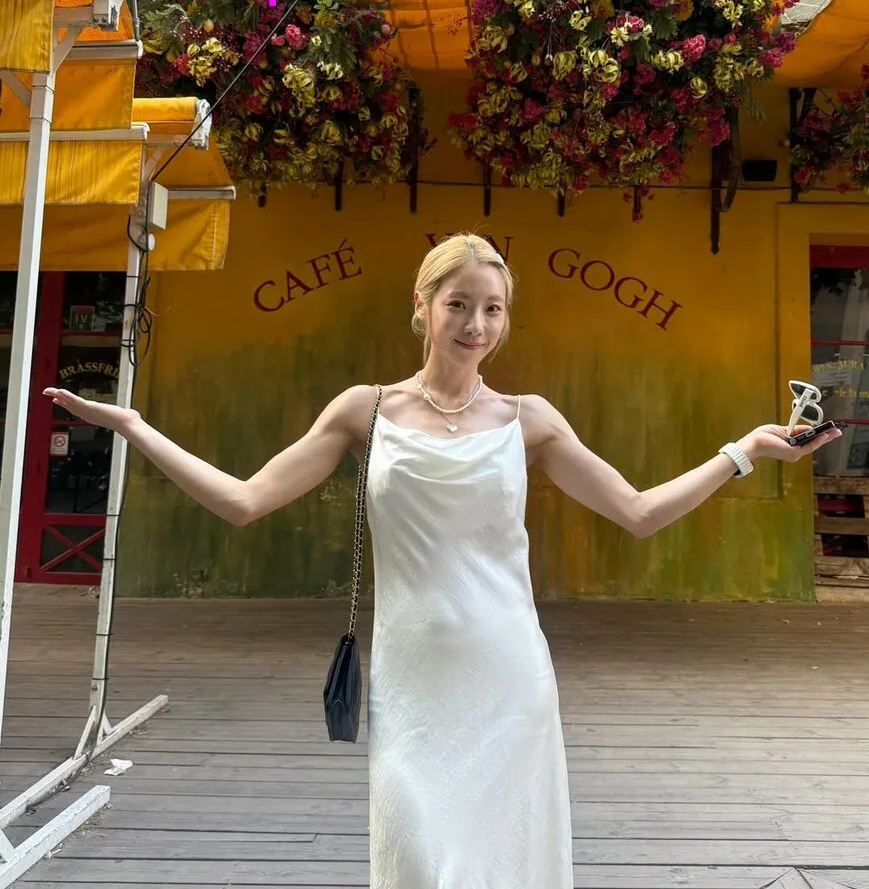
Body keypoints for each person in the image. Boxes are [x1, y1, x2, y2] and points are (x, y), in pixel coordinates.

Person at [44, 232, 840, 889]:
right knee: (417, 855)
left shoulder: (529, 420)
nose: (475, 324)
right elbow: (244, 500)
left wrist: (742, 452)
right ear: (421, 307)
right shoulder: (365, 410)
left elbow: (637, 512)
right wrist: (135, 428)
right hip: (413, 681)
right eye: (458, 303)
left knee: (503, 864)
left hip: (508, 679)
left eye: (492, 308)